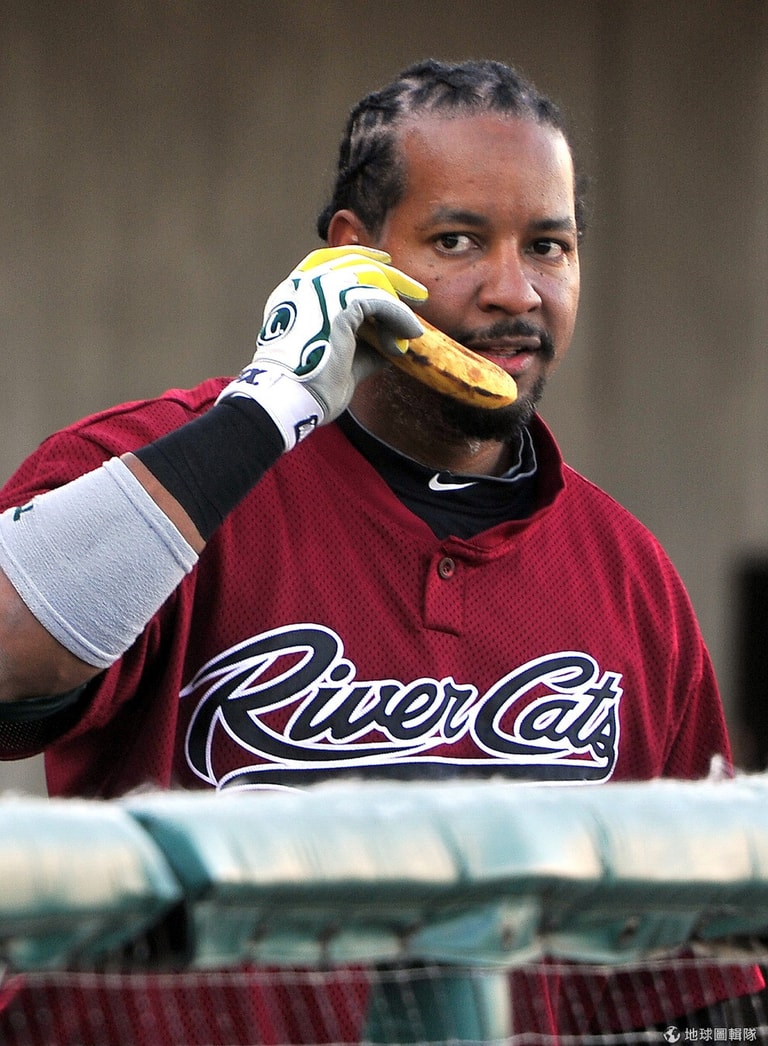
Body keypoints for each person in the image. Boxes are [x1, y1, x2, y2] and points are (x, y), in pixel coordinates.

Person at [0, 58, 760, 1038]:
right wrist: (272, 406)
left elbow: (695, 984)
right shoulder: (160, 469)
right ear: (351, 256)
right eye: (457, 240)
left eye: (549, 246)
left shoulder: (629, 573)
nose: (513, 291)